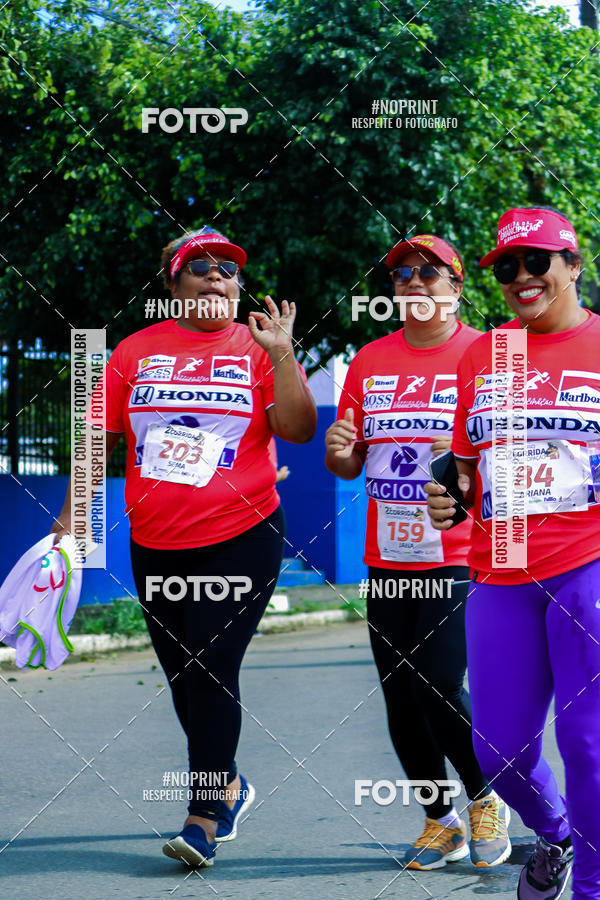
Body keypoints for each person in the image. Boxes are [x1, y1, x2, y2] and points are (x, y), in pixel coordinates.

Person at [52, 226, 317, 867]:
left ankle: (203, 817)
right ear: (172, 284)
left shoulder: (259, 348)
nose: (217, 276)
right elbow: (96, 442)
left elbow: (300, 430)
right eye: (200, 266)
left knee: (210, 668)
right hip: (156, 543)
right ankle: (229, 782)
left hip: (243, 535)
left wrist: (282, 354)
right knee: (182, 678)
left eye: (228, 268)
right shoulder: (131, 354)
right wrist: (68, 524)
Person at [426, 206, 600, 899]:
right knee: (498, 750)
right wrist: (452, 499)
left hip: (588, 564)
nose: (522, 277)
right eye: (506, 268)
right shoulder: (484, 354)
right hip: (499, 570)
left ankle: (589, 884)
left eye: (537, 262)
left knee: (586, 744)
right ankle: (553, 834)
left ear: (574, 264)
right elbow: (466, 472)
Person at [325, 234, 510, 869]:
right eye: (404, 272)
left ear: (456, 287)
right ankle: (441, 821)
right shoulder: (370, 359)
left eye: (431, 272)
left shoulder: (485, 356)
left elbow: (509, 454)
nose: (415, 280)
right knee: (400, 693)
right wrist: (340, 448)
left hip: (459, 553)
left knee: (436, 683)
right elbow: (348, 463)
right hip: (388, 555)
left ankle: (487, 797)